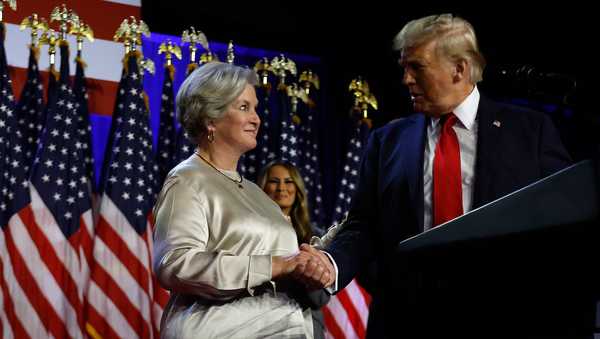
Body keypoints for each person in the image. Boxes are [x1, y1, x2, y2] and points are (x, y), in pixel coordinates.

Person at [314, 13, 572, 338]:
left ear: (459, 69)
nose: (406, 79)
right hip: (407, 320)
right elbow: (363, 225)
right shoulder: (387, 140)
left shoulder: (531, 132)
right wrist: (331, 264)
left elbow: (563, 226)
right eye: (404, 68)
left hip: (506, 317)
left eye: (417, 67)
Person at [152, 62, 333, 339]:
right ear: (210, 118)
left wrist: (308, 266)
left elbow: (285, 265)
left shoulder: (256, 193)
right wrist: (276, 265)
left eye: (256, 108)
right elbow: (175, 264)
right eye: (244, 107)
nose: (256, 119)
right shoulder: (187, 179)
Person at [257, 160, 330, 339]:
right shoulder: (249, 233)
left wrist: (302, 269)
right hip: (261, 324)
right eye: (274, 181)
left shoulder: (315, 237)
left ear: (297, 189)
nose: (281, 188)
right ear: (262, 188)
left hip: (306, 327)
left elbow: (320, 299)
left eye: (289, 181)